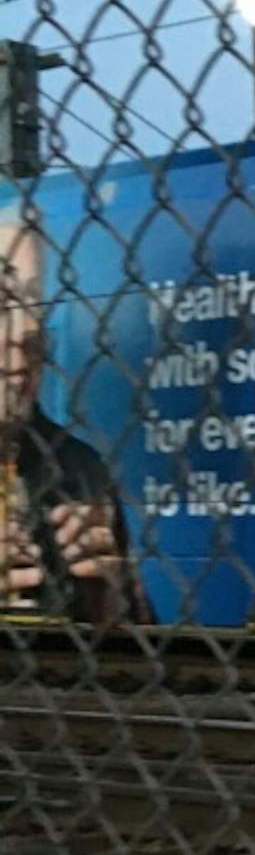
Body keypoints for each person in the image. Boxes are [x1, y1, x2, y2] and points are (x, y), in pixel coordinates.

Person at [0, 223, 144, 626]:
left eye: (36, 304)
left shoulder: (79, 472)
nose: (28, 331)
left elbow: (145, 663)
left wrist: (108, 602)